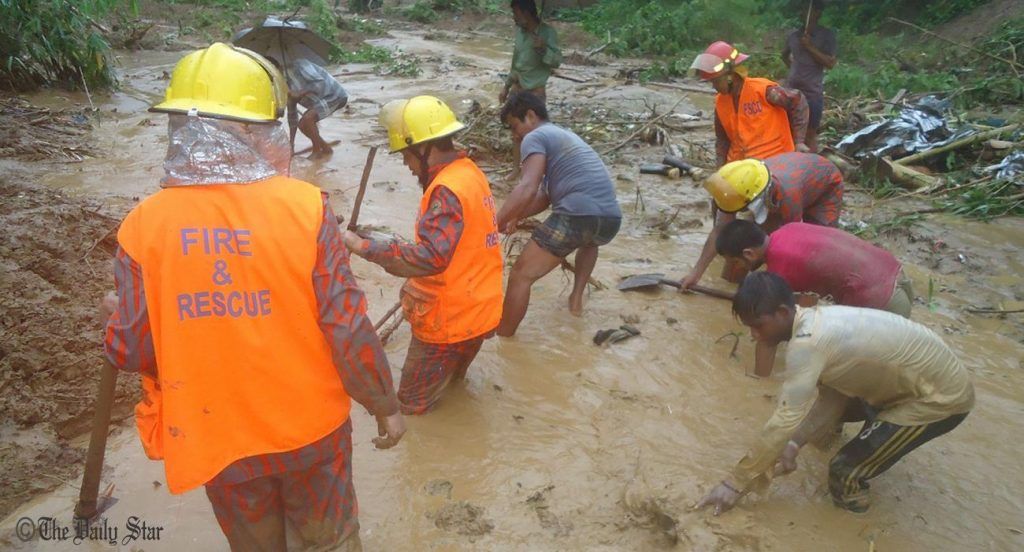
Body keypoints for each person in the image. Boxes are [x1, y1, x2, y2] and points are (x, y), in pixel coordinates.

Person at [103, 43, 404, 551]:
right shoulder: (307, 210)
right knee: (330, 540)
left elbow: (132, 351)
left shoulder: (141, 228)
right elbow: (347, 325)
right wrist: (383, 403)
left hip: (218, 438)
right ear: (256, 128)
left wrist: (115, 316)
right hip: (311, 433)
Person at [698, 272, 973, 515]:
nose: (755, 335)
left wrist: (733, 483)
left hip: (939, 401)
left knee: (843, 473)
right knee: (838, 426)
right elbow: (834, 396)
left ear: (783, 313)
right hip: (909, 384)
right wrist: (794, 445)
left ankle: (856, 526)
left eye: (758, 325)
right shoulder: (817, 318)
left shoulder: (807, 345)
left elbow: (783, 421)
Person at [342, 96, 503, 415]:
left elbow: (431, 257)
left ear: (421, 149)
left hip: (448, 321)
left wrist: (362, 246)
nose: (408, 166)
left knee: (412, 408)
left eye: (406, 158)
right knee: (452, 389)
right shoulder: (469, 173)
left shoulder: (445, 191)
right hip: (480, 309)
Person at [496, 91, 621, 336]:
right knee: (588, 240)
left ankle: (503, 339)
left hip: (576, 215)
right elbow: (544, 196)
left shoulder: (536, 137)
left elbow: (527, 186)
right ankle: (576, 301)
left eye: (514, 126)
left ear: (530, 116)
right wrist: (515, 217)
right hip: (609, 220)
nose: (515, 135)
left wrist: (494, 223)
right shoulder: (564, 137)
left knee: (521, 275)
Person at [715, 219, 913, 375]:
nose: (737, 269)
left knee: (850, 376)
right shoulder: (787, 230)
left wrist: (757, 384)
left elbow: (768, 337)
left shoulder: (780, 266)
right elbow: (806, 306)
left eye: (735, 262)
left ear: (748, 254)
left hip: (882, 302)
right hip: (897, 276)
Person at [678, 152, 843, 290]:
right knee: (740, 248)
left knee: (814, 249)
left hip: (825, 185)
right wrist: (696, 274)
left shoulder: (789, 198)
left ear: (752, 201)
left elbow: (790, 246)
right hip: (784, 185)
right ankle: (732, 283)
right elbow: (720, 230)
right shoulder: (736, 186)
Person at [689, 40, 810, 168]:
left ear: (730, 76)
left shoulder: (764, 91)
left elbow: (798, 100)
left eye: (715, 82)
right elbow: (722, 140)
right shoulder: (720, 102)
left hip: (776, 163)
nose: (714, 87)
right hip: (741, 167)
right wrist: (720, 168)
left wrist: (799, 142)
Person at [782, 0, 837, 153]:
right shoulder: (793, 36)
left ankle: (812, 168)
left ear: (818, 13)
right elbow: (784, 55)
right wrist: (794, 70)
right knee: (789, 131)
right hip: (791, 91)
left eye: (809, 9)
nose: (804, 13)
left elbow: (830, 63)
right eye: (803, 9)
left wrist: (810, 47)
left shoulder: (826, 36)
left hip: (812, 92)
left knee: (810, 134)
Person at [268, 55, 348, 158]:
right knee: (302, 125)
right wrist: (291, 144)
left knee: (308, 119)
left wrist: (300, 93)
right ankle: (326, 149)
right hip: (320, 102)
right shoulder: (286, 87)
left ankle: (316, 151)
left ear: (276, 70)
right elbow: (292, 116)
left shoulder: (300, 65)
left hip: (334, 95)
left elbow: (320, 83)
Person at [499, 0, 562, 105]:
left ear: (526, 13)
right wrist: (506, 87)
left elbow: (557, 62)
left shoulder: (547, 33)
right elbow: (516, 65)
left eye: (515, 13)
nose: (513, 17)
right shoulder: (520, 32)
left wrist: (544, 49)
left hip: (535, 93)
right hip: (516, 89)